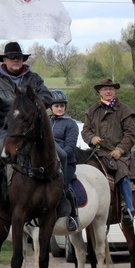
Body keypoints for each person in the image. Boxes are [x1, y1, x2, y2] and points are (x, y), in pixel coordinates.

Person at [0, 42, 54, 208]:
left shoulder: (35, 79)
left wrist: (30, 103)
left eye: (18, 57)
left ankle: (63, 195)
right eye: (11, 57)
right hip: (7, 130)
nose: (15, 60)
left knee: (62, 155)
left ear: (23, 59)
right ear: (4, 60)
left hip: (33, 132)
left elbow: (48, 97)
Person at [81, 78, 135, 227]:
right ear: (99, 91)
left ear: (115, 90)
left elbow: (130, 134)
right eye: (105, 89)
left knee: (121, 171)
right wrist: (92, 138)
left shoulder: (124, 110)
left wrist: (120, 149)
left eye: (111, 89)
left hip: (118, 153)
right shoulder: (92, 110)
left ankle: (128, 207)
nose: (108, 91)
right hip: (97, 152)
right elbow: (85, 130)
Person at [49, 89, 80, 232]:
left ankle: (73, 216)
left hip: (66, 161)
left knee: (63, 186)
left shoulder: (71, 124)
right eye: (57, 106)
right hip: (48, 162)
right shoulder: (47, 122)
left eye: (62, 106)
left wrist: (57, 156)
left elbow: (70, 147)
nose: (60, 108)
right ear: (51, 107)